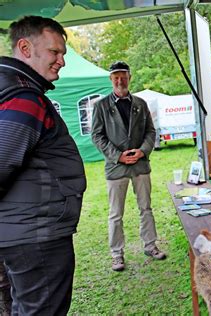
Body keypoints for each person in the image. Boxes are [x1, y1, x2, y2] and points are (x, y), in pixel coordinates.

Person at [0, 16, 86, 315]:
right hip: (35, 236)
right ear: (25, 47)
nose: (62, 61)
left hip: (21, 229)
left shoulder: (11, 87)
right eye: (54, 52)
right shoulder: (23, 96)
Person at [92, 61, 166, 272]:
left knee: (146, 208)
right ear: (111, 79)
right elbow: (97, 135)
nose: (120, 80)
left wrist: (142, 150)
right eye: (116, 76)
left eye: (123, 76)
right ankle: (117, 255)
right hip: (116, 168)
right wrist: (118, 156)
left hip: (140, 165)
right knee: (116, 214)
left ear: (129, 77)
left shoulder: (141, 104)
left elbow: (151, 131)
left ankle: (150, 246)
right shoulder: (101, 106)